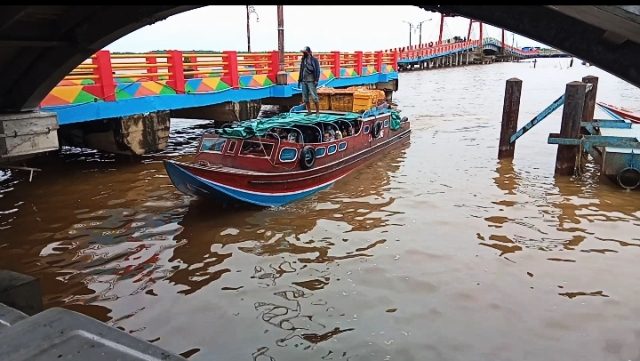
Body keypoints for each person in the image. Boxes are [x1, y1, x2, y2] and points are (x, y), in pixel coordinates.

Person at [298, 46, 320, 116]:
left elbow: (318, 70)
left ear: (309, 52)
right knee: (305, 97)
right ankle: (309, 111)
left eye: (305, 52)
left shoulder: (314, 60)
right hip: (304, 81)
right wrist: (299, 80)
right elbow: (301, 70)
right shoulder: (303, 60)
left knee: (314, 96)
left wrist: (316, 80)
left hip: (311, 80)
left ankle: (317, 112)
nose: (304, 53)